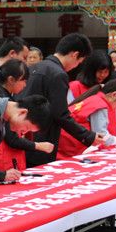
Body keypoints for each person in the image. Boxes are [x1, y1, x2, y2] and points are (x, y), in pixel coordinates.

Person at [19, 32, 101, 167]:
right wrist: (88, 136)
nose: (76, 66)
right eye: (79, 62)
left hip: (23, 135)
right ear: (74, 55)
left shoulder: (34, 67)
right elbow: (60, 114)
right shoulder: (58, 74)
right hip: (42, 138)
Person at [58, 79, 116, 158]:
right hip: (68, 150)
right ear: (114, 95)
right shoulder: (100, 105)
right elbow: (102, 137)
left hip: (62, 145)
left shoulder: (95, 99)